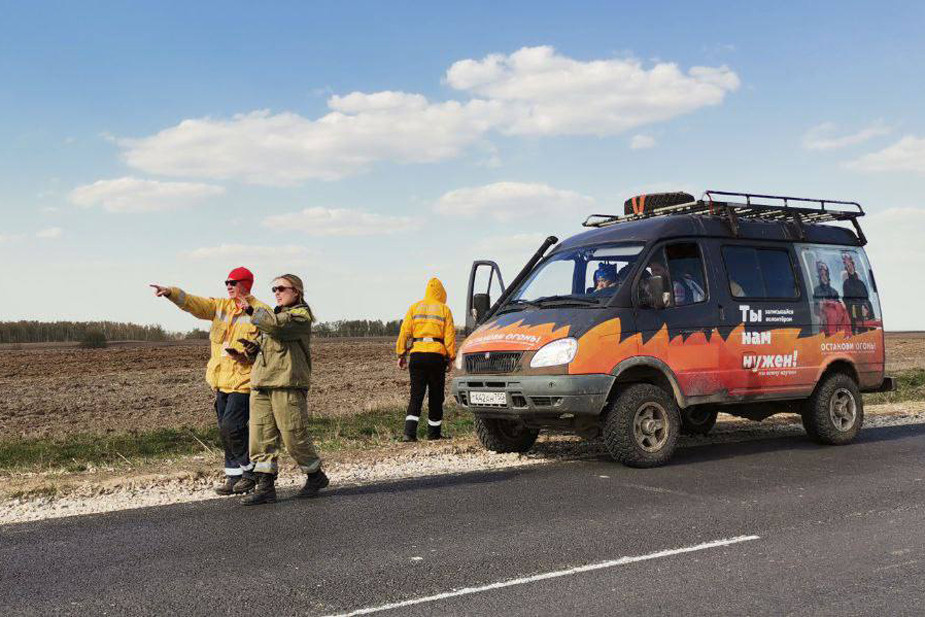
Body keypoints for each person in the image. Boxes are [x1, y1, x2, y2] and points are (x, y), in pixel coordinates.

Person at [150, 268, 269, 496]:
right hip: (220, 380)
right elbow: (193, 303)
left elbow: (267, 344)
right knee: (225, 431)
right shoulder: (220, 306)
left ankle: (251, 472)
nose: (228, 285)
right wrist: (170, 293)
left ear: (246, 284)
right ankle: (233, 476)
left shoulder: (261, 310)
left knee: (232, 427)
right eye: (226, 282)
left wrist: (246, 354)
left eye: (233, 282)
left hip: (244, 380)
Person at [241, 274, 328, 506]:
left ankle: (315, 475)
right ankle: (265, 486)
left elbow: (277, 328)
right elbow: (266, 341)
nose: (277, 293)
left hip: (287, 382)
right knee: (259, 436)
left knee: (293, 435)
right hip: (262, 382)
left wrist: (252, 312)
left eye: (281, 288)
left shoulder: (300, 317)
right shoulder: (274, 317)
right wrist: (251, 349)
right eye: (274, 290)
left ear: (296, 292)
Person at [395, 278, 457, 442]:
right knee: (436, 396)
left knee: (416, 395)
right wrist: (451, 357)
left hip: (417, 356)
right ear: (442, 293)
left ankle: (409, 434)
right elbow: (450, 336)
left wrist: (401, 354)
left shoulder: (414, 308)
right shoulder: (445, 310)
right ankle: (434, 434)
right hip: (436, 357)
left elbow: (404, 332)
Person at [840, 252, 873, 332]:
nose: (850, 267)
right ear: (846, 268)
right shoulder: (846, 283)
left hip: (863, 311)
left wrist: (865, 307)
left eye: (850, 265)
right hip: (853, 312)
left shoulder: (861, 283)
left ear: (853, 265)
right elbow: (846, 300)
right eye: (847, 266)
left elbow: (866, 298)